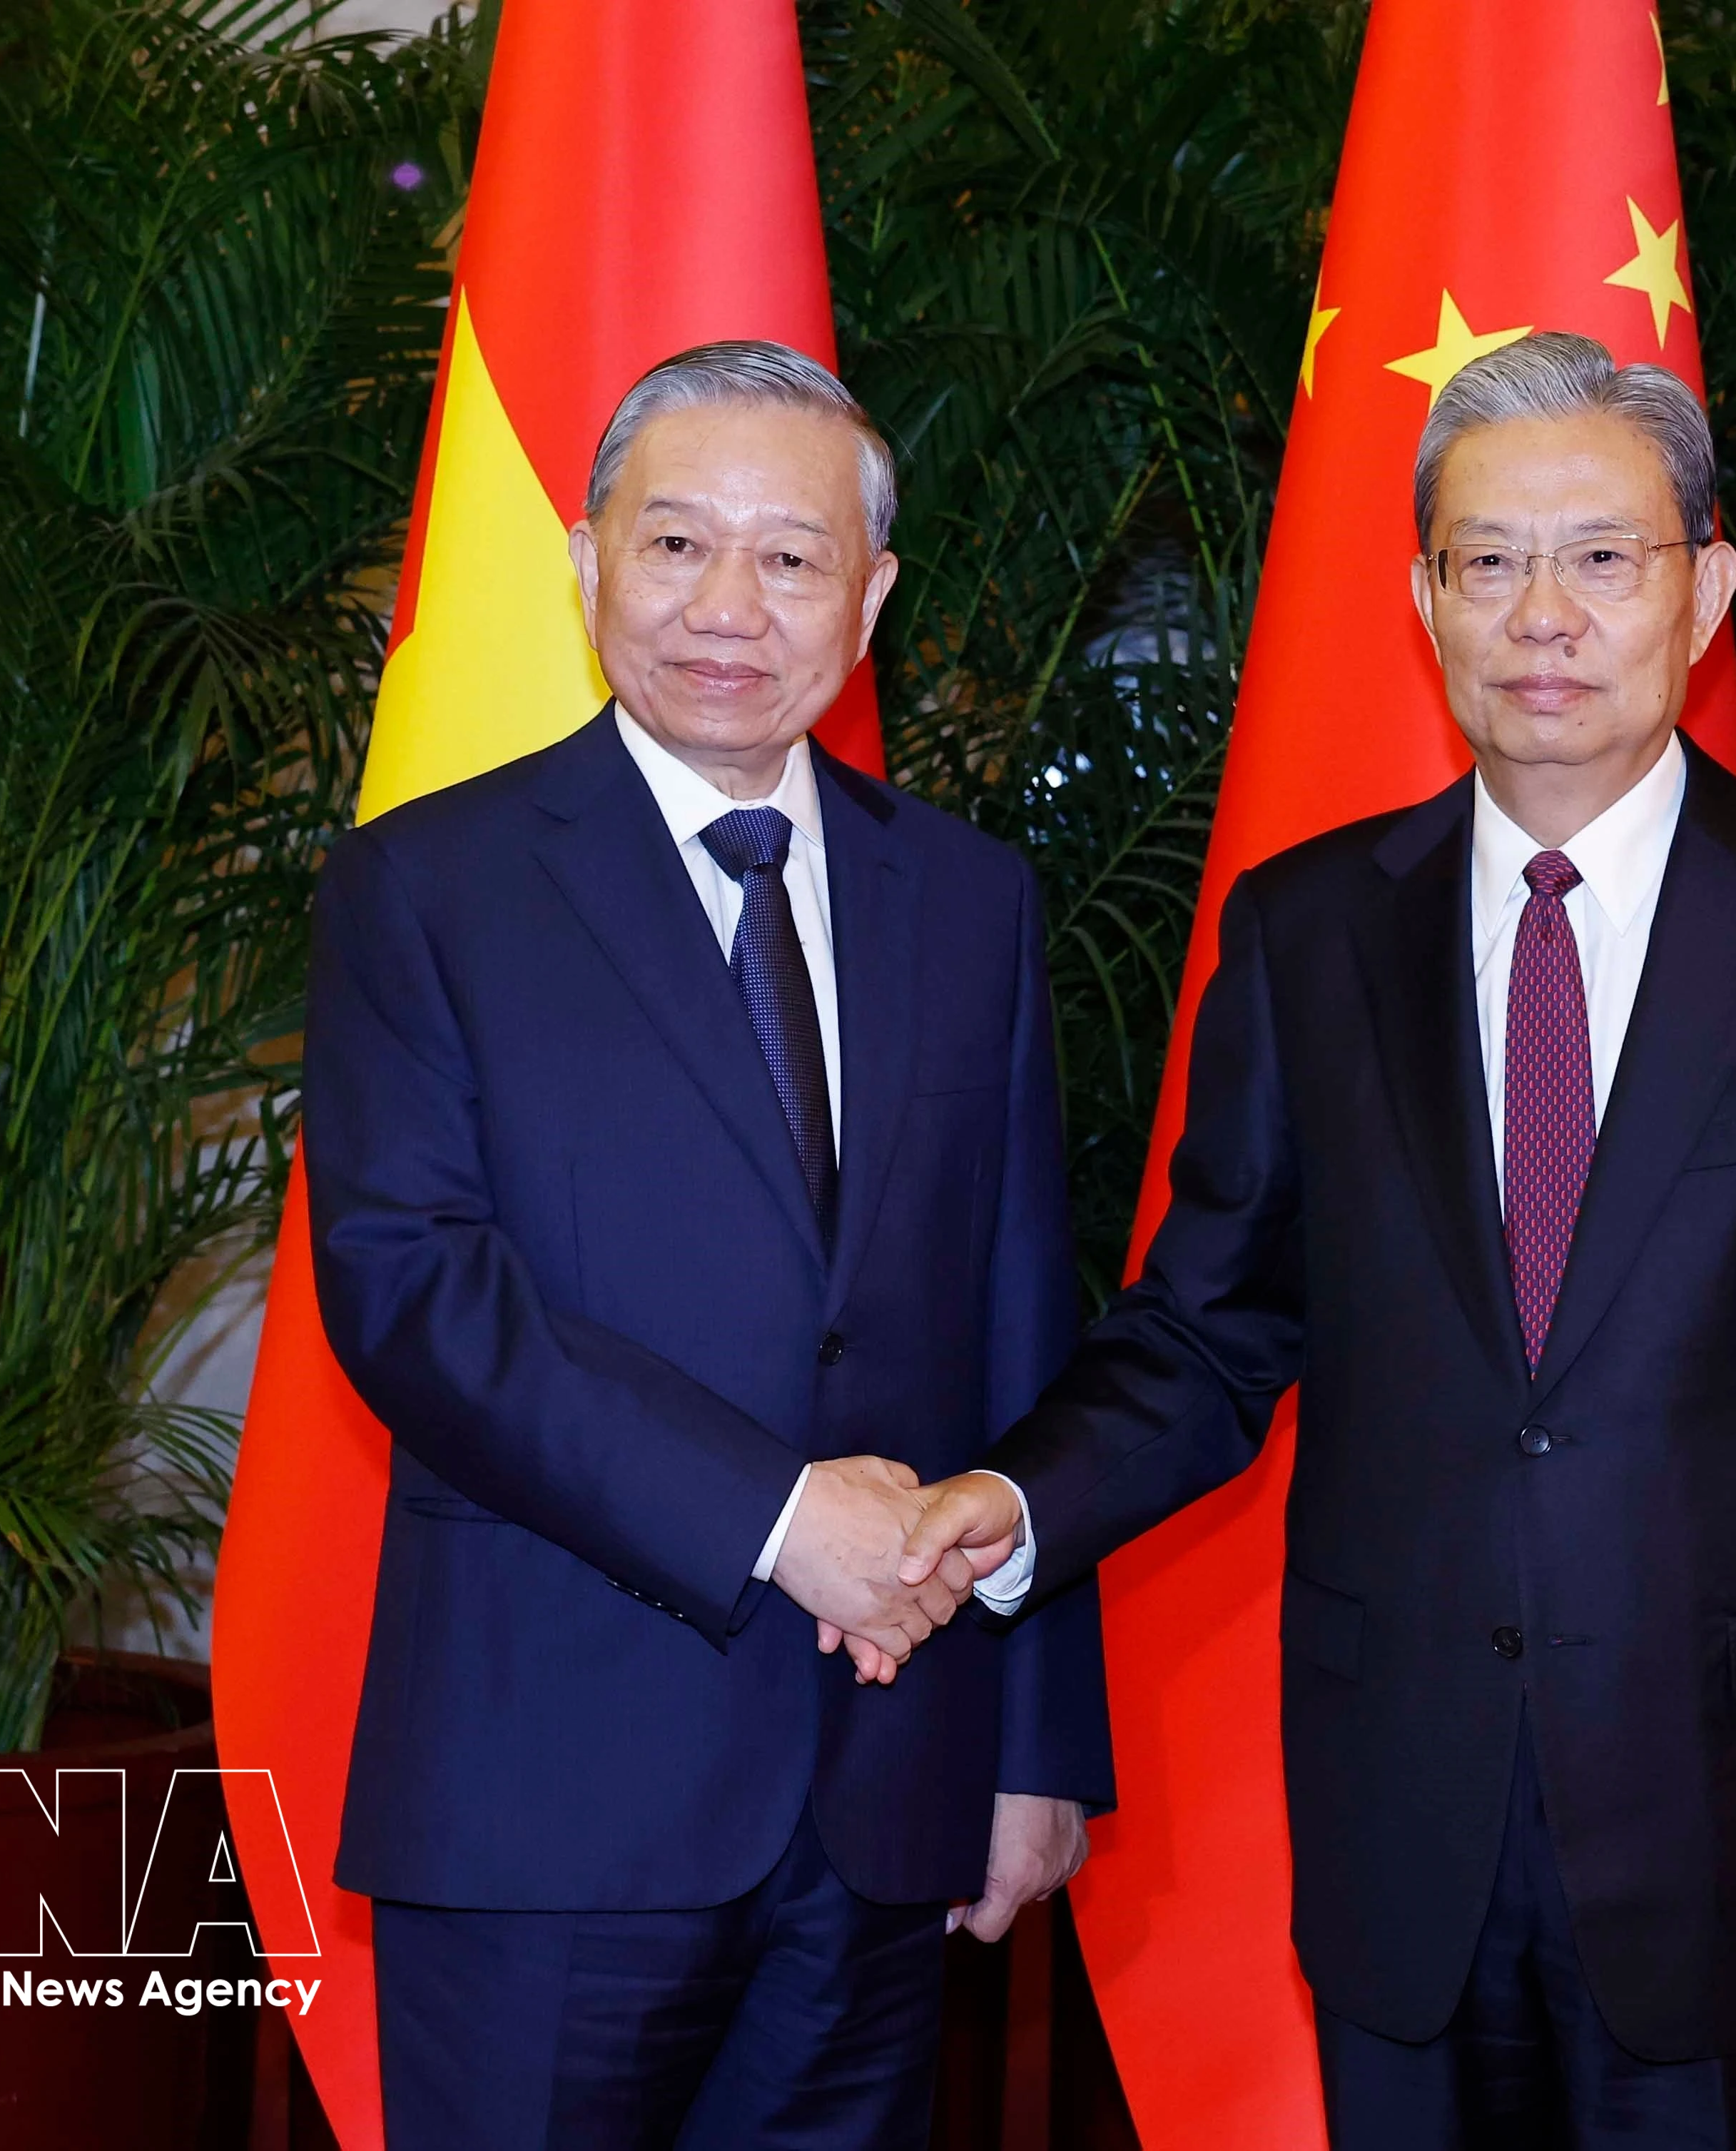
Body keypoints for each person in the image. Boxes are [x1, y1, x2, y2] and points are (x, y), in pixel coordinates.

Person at [905, 332, 1736, 2149]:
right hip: (1402, 1818)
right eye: (1488, 560)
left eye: (1603, 557)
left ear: (1705, 588)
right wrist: (1014, 1502)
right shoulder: (1306, 933)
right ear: (1424, 598)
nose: (1544, 614)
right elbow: (1207, 1332)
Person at [303, 339, 1108, 2150]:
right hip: (547, 1808)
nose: (727, 605)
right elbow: (419, 1300)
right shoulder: (426, 889)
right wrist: (779, 1516)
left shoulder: (971, 901)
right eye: (675, 546)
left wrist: (1036, 1739)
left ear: (871, 595)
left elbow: (1021, 1320)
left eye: (792, 556)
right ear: (586, 563)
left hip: (890, 1788)